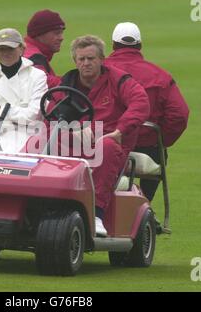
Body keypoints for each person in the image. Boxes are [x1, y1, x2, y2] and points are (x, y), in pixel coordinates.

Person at [27, 35, 150, 236]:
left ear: (102, 59)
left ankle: (97, 214)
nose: (86, 63)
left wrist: (120, 131)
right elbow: (51, 116)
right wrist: (64, 133)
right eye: (81, 59)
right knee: (39, 141)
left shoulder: (119, 80)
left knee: (107, 148)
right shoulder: (67, 83)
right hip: (74, 141)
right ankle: (37, 204)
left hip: (109, 141)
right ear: (75, 61)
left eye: (91, 59)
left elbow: (140, 103)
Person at [105, 22, 189, 201]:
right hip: (148, 147)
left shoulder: (97, 70)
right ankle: (144, 204)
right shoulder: (160, 75)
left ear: (113, 45)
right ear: (139, 46)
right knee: (159, 152)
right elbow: (179, 115)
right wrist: (160, 140)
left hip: (106, 144)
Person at [24, 9, 66, 88]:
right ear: (39, 34)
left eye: (61, 33)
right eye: (57, 33)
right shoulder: (33, 57)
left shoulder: (26, 50)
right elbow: (44, 82)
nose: (61, 38)